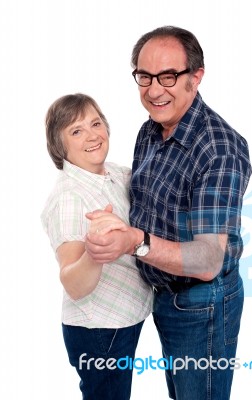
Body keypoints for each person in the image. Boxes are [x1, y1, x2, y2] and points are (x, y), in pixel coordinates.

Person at [85, 26, 252, 400]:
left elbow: (208, 260)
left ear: (196, 76)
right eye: (144, 77)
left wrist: (136, 243)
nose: (154, 90)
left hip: (202, 304)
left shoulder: (219, 149)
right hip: (160, 294)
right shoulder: (151, 129)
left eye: (168, 76)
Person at [41, 93, 153, 400]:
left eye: (96, 123)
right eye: (76, 131)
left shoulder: (114, 174)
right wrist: (93, 252)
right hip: (100, 331)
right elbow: (73, 282)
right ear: (59, 145)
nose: (92, 135)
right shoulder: (70, 198)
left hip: (126, 317)